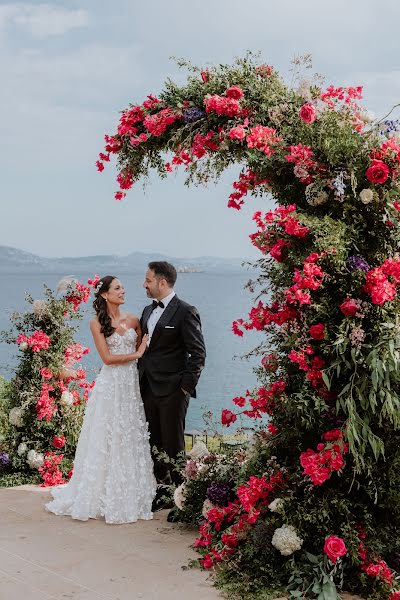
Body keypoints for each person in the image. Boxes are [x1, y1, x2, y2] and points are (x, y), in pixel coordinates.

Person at [46, 276, 156, 524]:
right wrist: (137, 353)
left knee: (127, 433)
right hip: (109, 385)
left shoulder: (135, 320)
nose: (123, 290)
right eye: (117, 288)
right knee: (105, 434)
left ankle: (129, 490)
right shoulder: (96, 323)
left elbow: (144, 353)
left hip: (129, 387)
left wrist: (139, 353)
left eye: (122, 287)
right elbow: (107, 358)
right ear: (105, 294)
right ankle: (99, 492)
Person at [138, 261, 206, 510]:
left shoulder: (186, 311)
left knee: (174, 445)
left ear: (162, 282)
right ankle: (164, 492)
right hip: (148, 388)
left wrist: (184, 388)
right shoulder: (147, 311)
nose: (144, 284)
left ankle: (183, 499)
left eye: (148, 280)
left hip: (173, 391)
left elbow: (198, 354)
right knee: (154, 442)